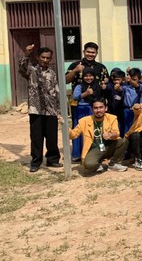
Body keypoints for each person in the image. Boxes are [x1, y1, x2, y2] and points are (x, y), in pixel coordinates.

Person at [19, 44, 62, 172]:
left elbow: (56, 90)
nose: (45, 60)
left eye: (48, 58)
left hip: (51, 110)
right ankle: (36, 162)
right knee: (36, 137)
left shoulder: (52, 73)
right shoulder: (31, 70)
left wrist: (58, 108)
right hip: (35, 109)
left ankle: (52, 160)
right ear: (38, 57)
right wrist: (26, 53)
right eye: (43, 57)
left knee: (52, 137)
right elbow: (21, 67)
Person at [68, 98, 128, 174]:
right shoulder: (84, 121)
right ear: (92, 109)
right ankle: (97, 164)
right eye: (95, 108)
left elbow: (116, 133)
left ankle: (113, 164)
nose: (98, 110)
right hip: (95, 149)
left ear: (105, 108)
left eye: (101, 107)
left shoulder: (112, 118)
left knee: (123, 141)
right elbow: (73, 135)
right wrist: (65, 127)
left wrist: (110, 134)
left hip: (107, 146)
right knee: (89, 164)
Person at [71, 67, 101, 161]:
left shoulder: (97, 86)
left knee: (95, 132)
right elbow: (75, 97)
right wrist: (86, 93)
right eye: (86, 76)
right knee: (79, 131)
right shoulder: (79, 86)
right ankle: (78, 154)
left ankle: (96, 153)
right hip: (81, 111)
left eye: (91, 76)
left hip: (93, 111)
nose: (89, 78)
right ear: (83, 77)